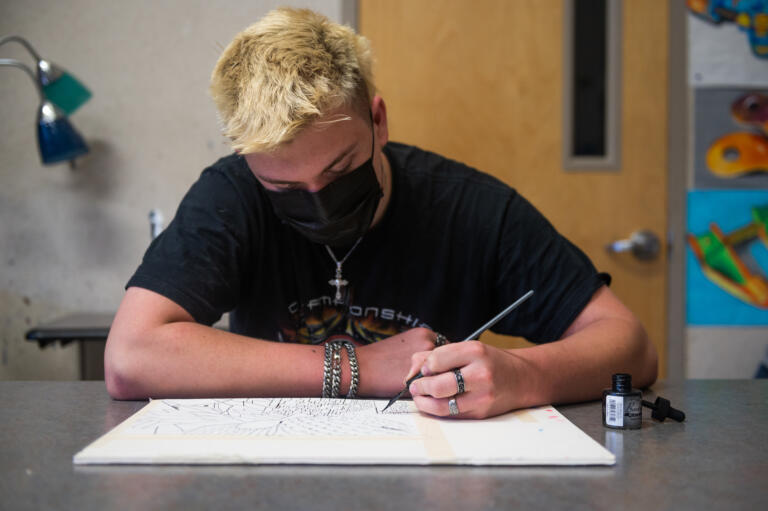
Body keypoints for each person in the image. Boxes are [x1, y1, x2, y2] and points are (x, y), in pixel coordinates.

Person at [104, 7, 657, 419]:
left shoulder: (471, 209)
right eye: (283, 184)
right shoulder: (231, 197)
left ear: (378, 120)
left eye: (342, 169)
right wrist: (357, 367)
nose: (318, 199)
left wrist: (527, 376)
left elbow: (629, 345)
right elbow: (130, 356)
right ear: (248, 163)